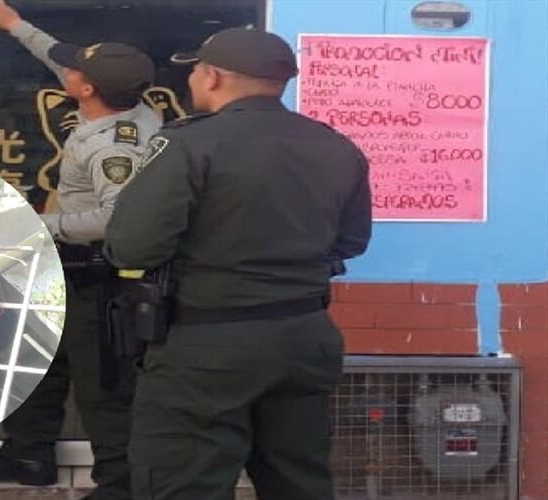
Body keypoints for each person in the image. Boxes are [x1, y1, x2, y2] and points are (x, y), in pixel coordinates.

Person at [104, 27, 373, 500]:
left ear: (211, 77)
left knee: (185, 483)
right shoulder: (335, 146)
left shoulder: (188, 144)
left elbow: (133, 247)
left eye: (194, 71)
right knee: (300, 482)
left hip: (205, 344)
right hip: (304, 336)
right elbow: (351, 242)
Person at [0, 1, 160, 498]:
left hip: (99, 278)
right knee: (37, 358)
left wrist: (35, 224)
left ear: (85, 88)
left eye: (76, 70)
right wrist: (13, 24)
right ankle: (28, 453)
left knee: (103, 385)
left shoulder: (116, 147)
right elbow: (60, 59)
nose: (65, 69)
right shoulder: (127, 104)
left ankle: (120, 483)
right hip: (64, 269)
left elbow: (117, 218)